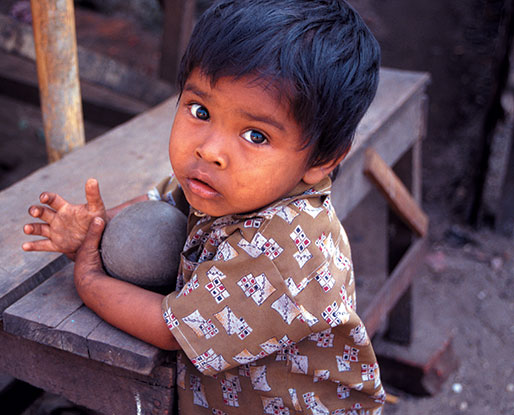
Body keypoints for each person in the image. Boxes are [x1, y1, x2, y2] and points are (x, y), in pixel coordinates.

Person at [22, 0, 384, 413]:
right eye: (201, 111)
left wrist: (88, 277)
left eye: (256, 136)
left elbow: (171, 329)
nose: (210, 150)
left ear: (323, 158)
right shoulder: (227, 186)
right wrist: (93, 227)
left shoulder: (278, 251)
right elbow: (161, 202)